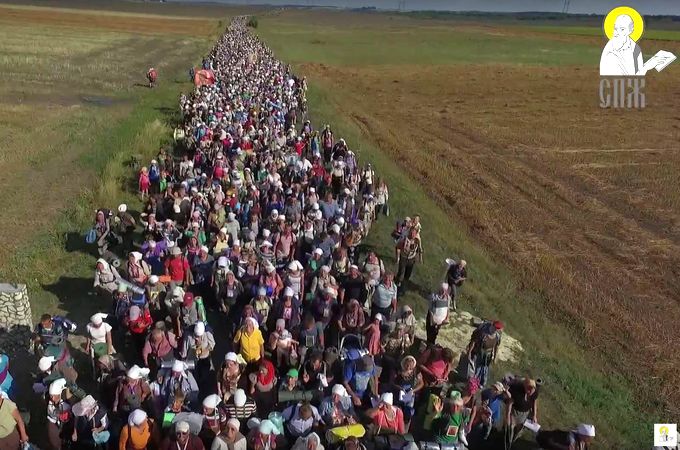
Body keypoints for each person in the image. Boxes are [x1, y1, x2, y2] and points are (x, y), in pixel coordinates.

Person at [504, 378, 539, 450]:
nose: (529, 392)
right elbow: (510, 403)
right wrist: (508, 416)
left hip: (525, 413)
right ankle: (507, 442)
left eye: (531, 390)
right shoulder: (517, 391)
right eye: (528, 389)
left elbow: (534, 402)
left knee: (519, 429)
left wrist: (534, 415)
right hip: (515, 412)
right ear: (524, 386)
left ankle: (513, 441)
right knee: (510, 428)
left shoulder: (534, 392)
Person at [467, 320, 503, 387]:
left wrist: (495, 357)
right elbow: (474, 341)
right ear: (492, 325)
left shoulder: (497, 336)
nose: (495, 330)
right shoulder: (483, 333)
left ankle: (481, 383)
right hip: (479, 353)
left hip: (488, 356)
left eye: (497, 329)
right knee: (476, 369)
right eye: (494, 328)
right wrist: (469, 352)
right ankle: (473, 384)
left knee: (485, 370)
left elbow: (496, 347)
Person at [394, 227, 422, 293]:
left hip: (411, 259)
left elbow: (418, 250)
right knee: (401, 272)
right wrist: (398, 258)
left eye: (414, 233)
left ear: (416, 234)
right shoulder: (404, 239)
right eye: (411, 233)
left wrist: (418, 257)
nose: (412, 235)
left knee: (408, 274)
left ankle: (403, 287)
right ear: (409, 233)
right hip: (403, 257)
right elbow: (398, 247)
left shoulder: (417, 241)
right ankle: (396, 284)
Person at [46, 379, 71, 450]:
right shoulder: (50, 404)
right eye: (51, 396)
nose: (52, 398)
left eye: (54, 396)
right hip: (55, 423)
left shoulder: (66, 403)